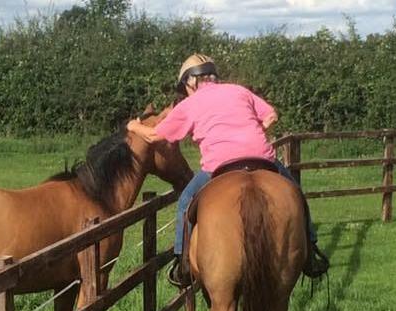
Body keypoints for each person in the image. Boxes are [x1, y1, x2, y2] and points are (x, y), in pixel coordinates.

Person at [127, 53, 329, 286]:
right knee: (295, 193)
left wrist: (133, 126)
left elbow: (153, 135)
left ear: (190, 82)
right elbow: (271, 115)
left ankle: (182, 265)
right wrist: (257, 128)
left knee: (185, 203)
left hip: (219, 165)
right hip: (261, 158)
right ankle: (311, 249)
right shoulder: (239, 91)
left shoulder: (189, 103)